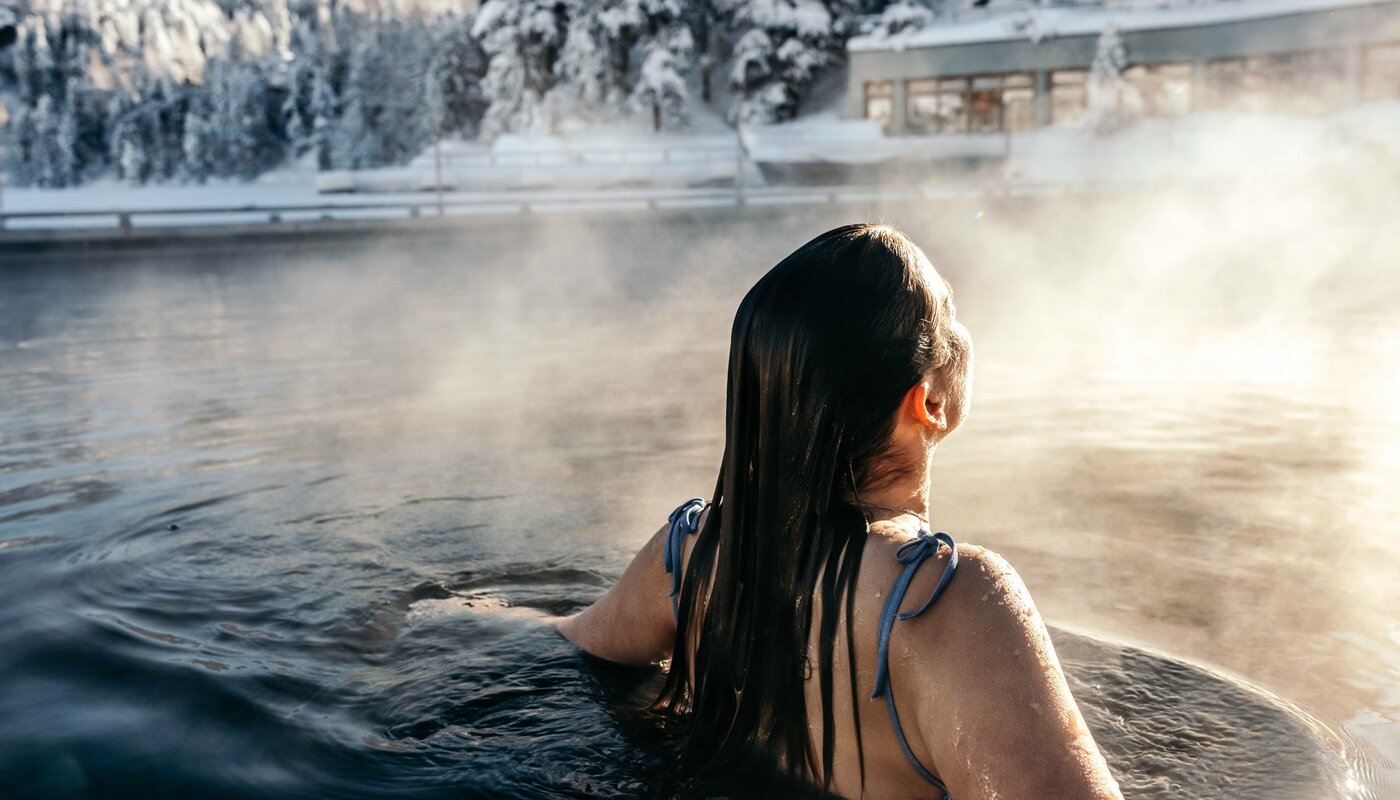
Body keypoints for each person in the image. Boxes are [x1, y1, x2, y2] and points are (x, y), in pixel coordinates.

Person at [556, 223, 1122, 800]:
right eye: (949, 312)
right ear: (926, 401)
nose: (961, 329)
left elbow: (568, 643)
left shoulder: (693, 553)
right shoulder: (949, 600)